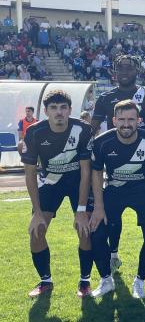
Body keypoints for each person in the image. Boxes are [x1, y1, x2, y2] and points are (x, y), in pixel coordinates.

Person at [91, 54, 145, 275]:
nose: (124, 71)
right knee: (112, 221)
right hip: (114, 167)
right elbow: (91, 127)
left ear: (137, 70)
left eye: (129, 68)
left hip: (143, 168)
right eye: (120, 68)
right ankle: (113, 255)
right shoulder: (105, 98)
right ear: (114, 71)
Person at [89, 100, 145, 298]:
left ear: (139, 120)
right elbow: (96, 174)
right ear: (114, 120)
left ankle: (140, 280)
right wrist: (98, 206)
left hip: (144, 192)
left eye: (131, 119)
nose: (126, 124)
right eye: (122, 119)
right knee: (97, 232)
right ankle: (106, 279)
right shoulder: (102, 142)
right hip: (115, 191)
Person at [21, 90, 95, 298]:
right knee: (36, 231)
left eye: (63, 107)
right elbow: (30, 174)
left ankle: (85, 281)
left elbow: (86, 171)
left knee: (85, 229)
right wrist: (36, 212)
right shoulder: (35, 132)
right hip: (51, 182)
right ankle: (45, 281)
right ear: (45, 111)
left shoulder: (83, 129)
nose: (59, 112)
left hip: (77, 181)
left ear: (70, 110)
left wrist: (81, 210)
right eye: (53, 108)